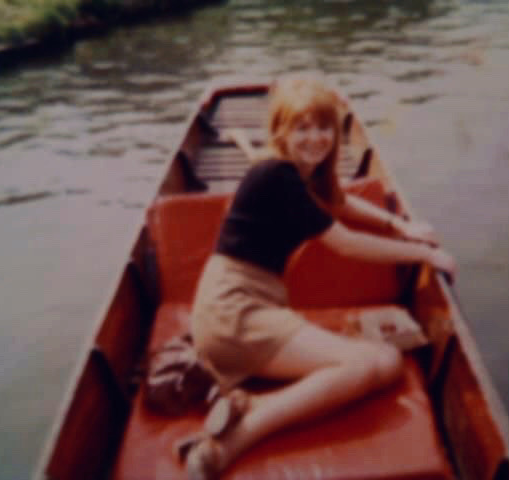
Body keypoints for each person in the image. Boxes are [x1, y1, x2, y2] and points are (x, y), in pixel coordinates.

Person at [183, 74, 456, 479]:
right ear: (280, 131)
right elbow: (345, 242)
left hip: (244, 306)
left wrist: (400, 225)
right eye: (302, 128)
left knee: (387, 362)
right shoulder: (276, 176)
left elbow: (340, 204)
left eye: (324, 126)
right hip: (234, 313)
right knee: (362, 368)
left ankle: (245, 403)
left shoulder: (297, 174)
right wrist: (424, 253)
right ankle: (233, 439)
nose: (316, 138)